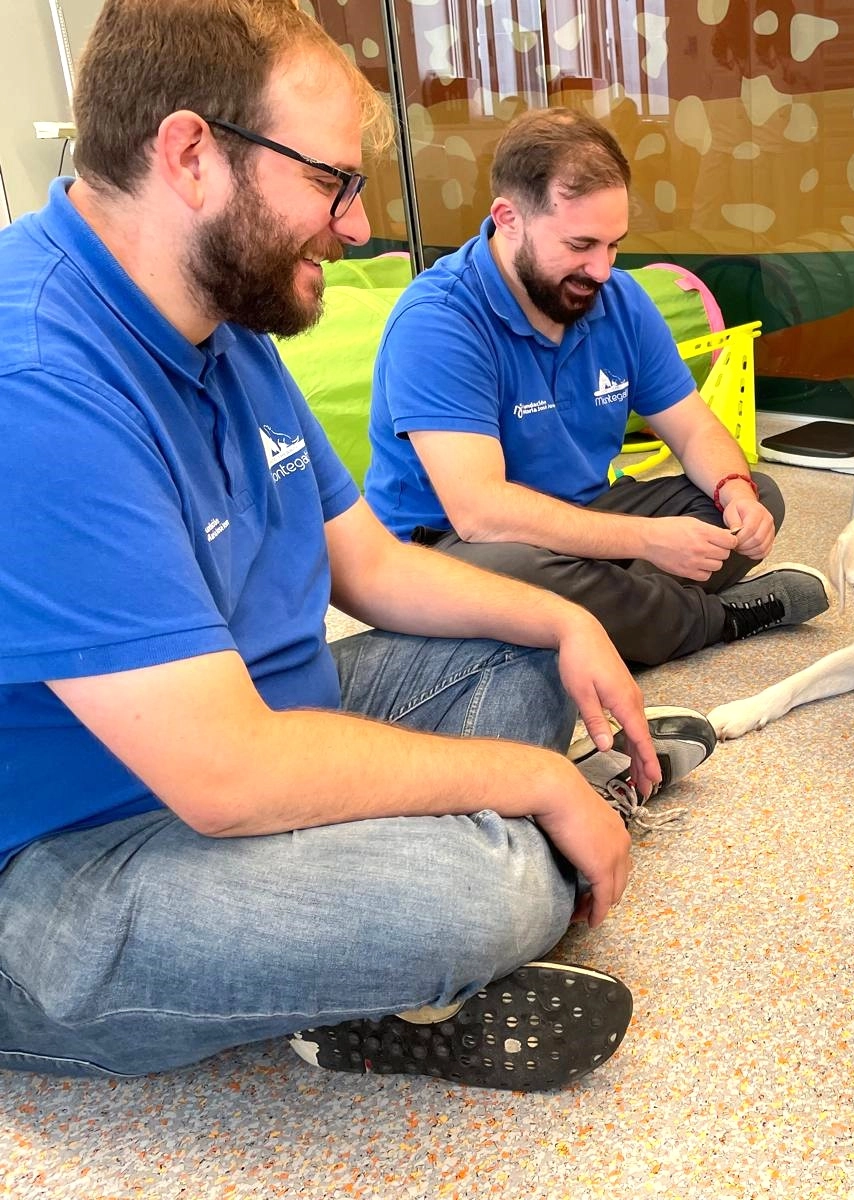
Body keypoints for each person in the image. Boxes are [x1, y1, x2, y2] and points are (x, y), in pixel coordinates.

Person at [0, 0, 716, 1094]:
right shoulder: (40, 382)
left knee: (518, 650)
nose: (357, 222)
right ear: (191, 155)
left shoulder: (220, 318)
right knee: (486, 892)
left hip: (259, 726)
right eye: (332, 180)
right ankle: (463, 899)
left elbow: (372, 567)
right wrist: (527, 779)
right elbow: (225, 774)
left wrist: (566, 619)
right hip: (78, 857)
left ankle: (408, 934)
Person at [362, 108, 828, 668]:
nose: (603, 270)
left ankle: (608, 620)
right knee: (516, 573)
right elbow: (480, 512)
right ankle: (714, 620)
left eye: (613, 245)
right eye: (581, 245)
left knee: (755, 497)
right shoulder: (438, 320)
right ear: (509, 218)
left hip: (582, 513)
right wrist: (644, 541)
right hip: (451, 545)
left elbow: (694, 428)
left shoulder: (621, 299)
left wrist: (734, 491)